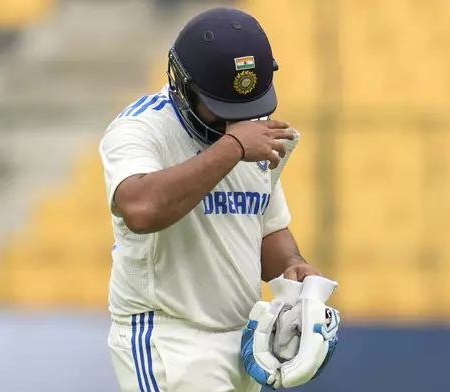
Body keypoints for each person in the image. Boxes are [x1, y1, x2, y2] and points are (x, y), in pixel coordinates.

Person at [100, 7, 323, 392]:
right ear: (183, 87)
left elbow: (264, 224)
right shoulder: (140, 127)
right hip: (168, 338)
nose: (234, 122)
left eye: (246, 111)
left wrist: (292, 266)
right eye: (222, 111)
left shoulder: (252, 137)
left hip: (242, 342)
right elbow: (140, 208)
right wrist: (233, 147)